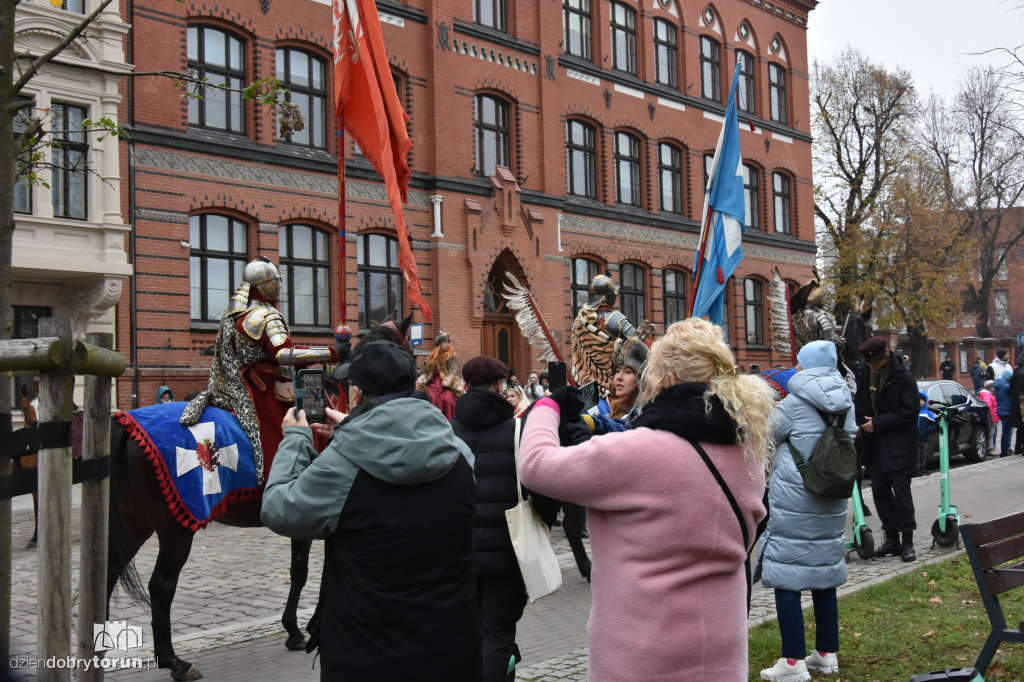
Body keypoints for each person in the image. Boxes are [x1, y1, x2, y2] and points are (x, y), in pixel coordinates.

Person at [519, 318, 775, 681]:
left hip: (642, 655)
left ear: (666, 379)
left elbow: (536, 465)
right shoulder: (748, 450)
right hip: (721, 651)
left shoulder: (639, 451)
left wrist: (546, 407)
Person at [260, 340, 481, 681]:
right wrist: (354, 431)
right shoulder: (460, 452)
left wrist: (296, 439)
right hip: (453, 650)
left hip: (368, 655)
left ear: (359, 394)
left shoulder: (345, 463)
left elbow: (278, 508)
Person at [180, 256, 341, 484]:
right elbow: (283, 353)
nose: (279, 286)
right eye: (277, 281)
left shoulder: (234, 313)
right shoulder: (266, 315)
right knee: (302, 426)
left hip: (238, 385)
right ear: (266, 284)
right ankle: (292, 482)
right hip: (263, 389)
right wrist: (332, 353)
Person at [452, 356, 555, 682]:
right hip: (507, 552)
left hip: (460, 554)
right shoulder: (519, 430)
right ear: (500, 386)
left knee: (468, 634)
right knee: (497, 634)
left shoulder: (447, 432)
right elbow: (543, 487)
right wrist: (544, 523)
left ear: (465, 387)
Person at [757, 341, 855, 682]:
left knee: (788, 578)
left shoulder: (794, 403)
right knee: (824, 576)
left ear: (806, 365)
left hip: (796, 497)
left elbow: (765, 433)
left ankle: (793, 663)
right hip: (832, 496)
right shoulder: (846, 403)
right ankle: (826, 654)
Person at [856, 336, 919, 562]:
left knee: (902, 493)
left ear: (882, 357)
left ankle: (907, 542)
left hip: (899, 443)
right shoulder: (865, 371)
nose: (870, 366)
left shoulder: (903, 375)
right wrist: (860, 422)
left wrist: (879, 422)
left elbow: (910, 411)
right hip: (875, 444)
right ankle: (891, 539)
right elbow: (861, 399)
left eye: (873, 362)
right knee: (880, 491)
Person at [418, 330, 464, 420]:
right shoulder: (431, 357)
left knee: (448, 399)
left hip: (447, 385)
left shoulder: (452, 356)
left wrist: (447, 383)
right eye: (445, 342)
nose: (447, 344)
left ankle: (450, 421)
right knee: (429, 397)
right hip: (433, 383)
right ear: (439, 344)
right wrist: (425, 380)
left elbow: (454, 370)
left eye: (448, 342)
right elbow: (425, 370)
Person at [916, 391, 937, 476]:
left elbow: (932, 425)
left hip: (924, 437)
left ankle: (923, 467)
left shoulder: (928, 413)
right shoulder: (915, 412)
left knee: (923, 454)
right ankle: (917, 469)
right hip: (915, 437)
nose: (920, 402)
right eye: (919, 400)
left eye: (922, 400)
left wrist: (926, 432)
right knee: (916, 454)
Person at [995, 368, 1014, 456]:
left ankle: (1006, 449)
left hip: (1002, 411)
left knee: (1007, 431)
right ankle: (1005, 451)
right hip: (1006, 411)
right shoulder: (1007, 386)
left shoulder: (1000, 385)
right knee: (1007, 432)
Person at [1009, 353, 1024, 455]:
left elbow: (1011, 386)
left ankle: (1018, 448)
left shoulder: (1017, 369)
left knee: (1021, 426)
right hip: (1022, 400)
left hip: (1017, 401)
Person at [980, 380, 999, 456]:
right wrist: (993, 419)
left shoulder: (986, 394)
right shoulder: (987, 395)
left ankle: (989, 448)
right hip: (991, 418)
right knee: (990, 434)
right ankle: (989, 449)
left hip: (992, 417)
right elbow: (989, 408)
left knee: (990, 433)